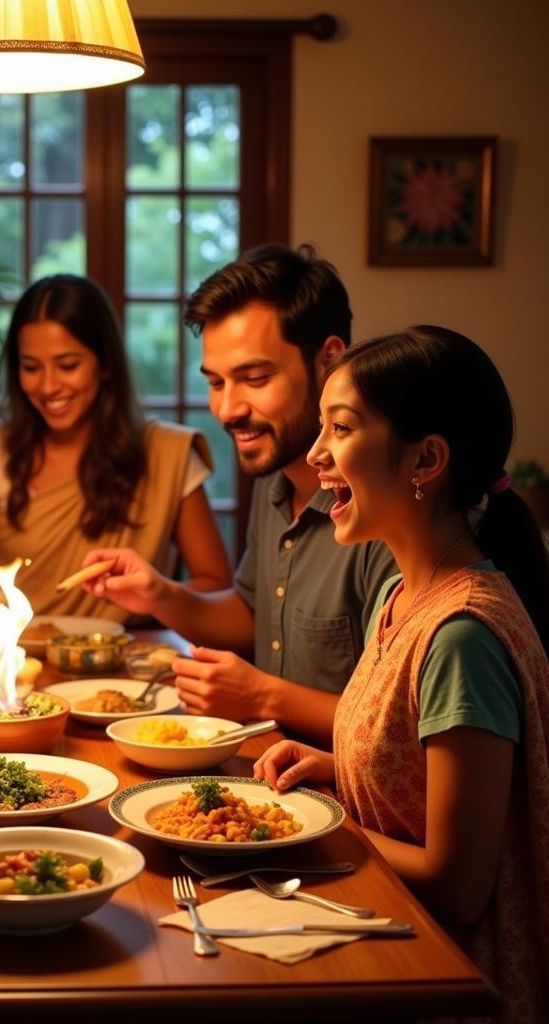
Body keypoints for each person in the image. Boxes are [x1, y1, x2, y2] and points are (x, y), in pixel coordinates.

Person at [253, 326, 549, 1024]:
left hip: (447, 980)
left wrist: (313, 824)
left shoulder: (463, 636)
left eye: (341, 429)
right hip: (385, 938)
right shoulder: (399, 596)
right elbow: (415, 775)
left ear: (427, 459)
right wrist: (332, 767)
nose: (316, 454)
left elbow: (457, 887)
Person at [82, 244, 397, 741]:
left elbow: (403, 724)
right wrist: (158, 593)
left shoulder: (387, 511)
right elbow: (252, 618)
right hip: (269, 772)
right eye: (215, 382)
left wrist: (262, 696)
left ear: (329, 360)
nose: (227, 409)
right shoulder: (277, 480)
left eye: (254, 378)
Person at [0, 273, 231, 622]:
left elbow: (219, 587)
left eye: (68, 366)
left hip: (125, 663)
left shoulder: (167, 453)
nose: (48, 386)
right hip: (21, 660)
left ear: (104, 363)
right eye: (31, 368)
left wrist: (157, 593)